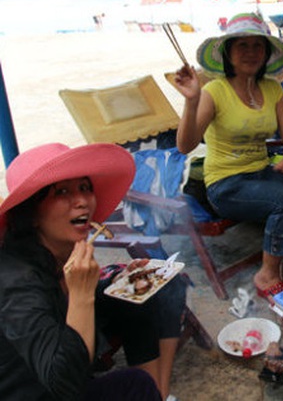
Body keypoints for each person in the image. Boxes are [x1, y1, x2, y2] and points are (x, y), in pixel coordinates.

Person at [0, 142, 186, 400]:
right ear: (30, 213)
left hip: (66, 344)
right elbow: (64, 383)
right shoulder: (16, 283)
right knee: (133, 384)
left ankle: (160, 392)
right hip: (38, 390)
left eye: (85, 188)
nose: (82, 201)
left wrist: (118, 281)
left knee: (145, 289)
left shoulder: (56, 250)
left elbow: (66, 296)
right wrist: (82, 293)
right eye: (62, 191)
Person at [173, 13, 283, 301]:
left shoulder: (273, 88)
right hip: (226, 185)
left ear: (267, 53)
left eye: (257, 46)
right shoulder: (214, 91)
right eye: (242, 46)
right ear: (228, 52)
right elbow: (185, 146)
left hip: (262, 172)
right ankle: (267, 275)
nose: (250, 53)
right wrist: (191, 100)